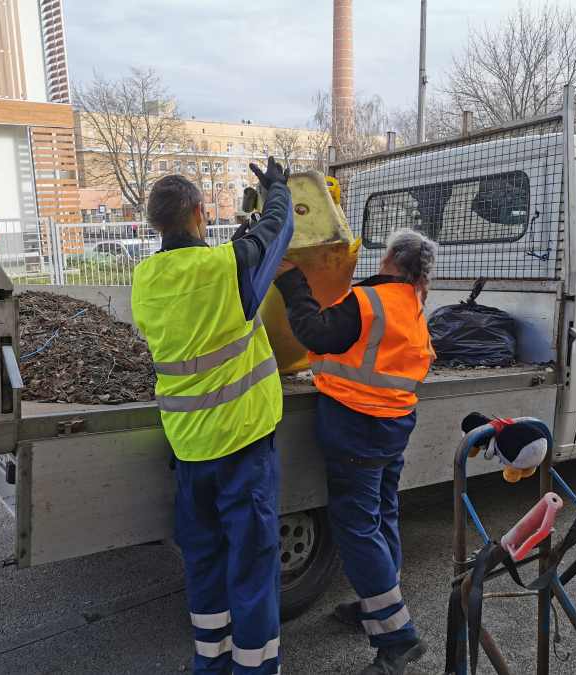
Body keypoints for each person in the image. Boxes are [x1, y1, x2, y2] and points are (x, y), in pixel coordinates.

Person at [131, 158, 294, 675]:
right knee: (251, 565)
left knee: (203, 563)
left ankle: (211, 664)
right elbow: (277, 232)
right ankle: (254, 667)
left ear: (157, 223)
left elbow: (210, 274)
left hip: (188, 449)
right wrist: (278, 191)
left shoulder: (145, 279)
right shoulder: (227, 268)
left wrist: (237, 241)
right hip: (242, 444)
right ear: (202, 213)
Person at [273, 229, 437, 675]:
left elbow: (314, 332)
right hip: (391, 428)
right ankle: (378, 608)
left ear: (387, 257)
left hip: (357, 429)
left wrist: (291, 282)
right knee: (381, 518)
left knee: (357, 529)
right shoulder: (411, 302)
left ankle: (398, 639)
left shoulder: (368, 302)